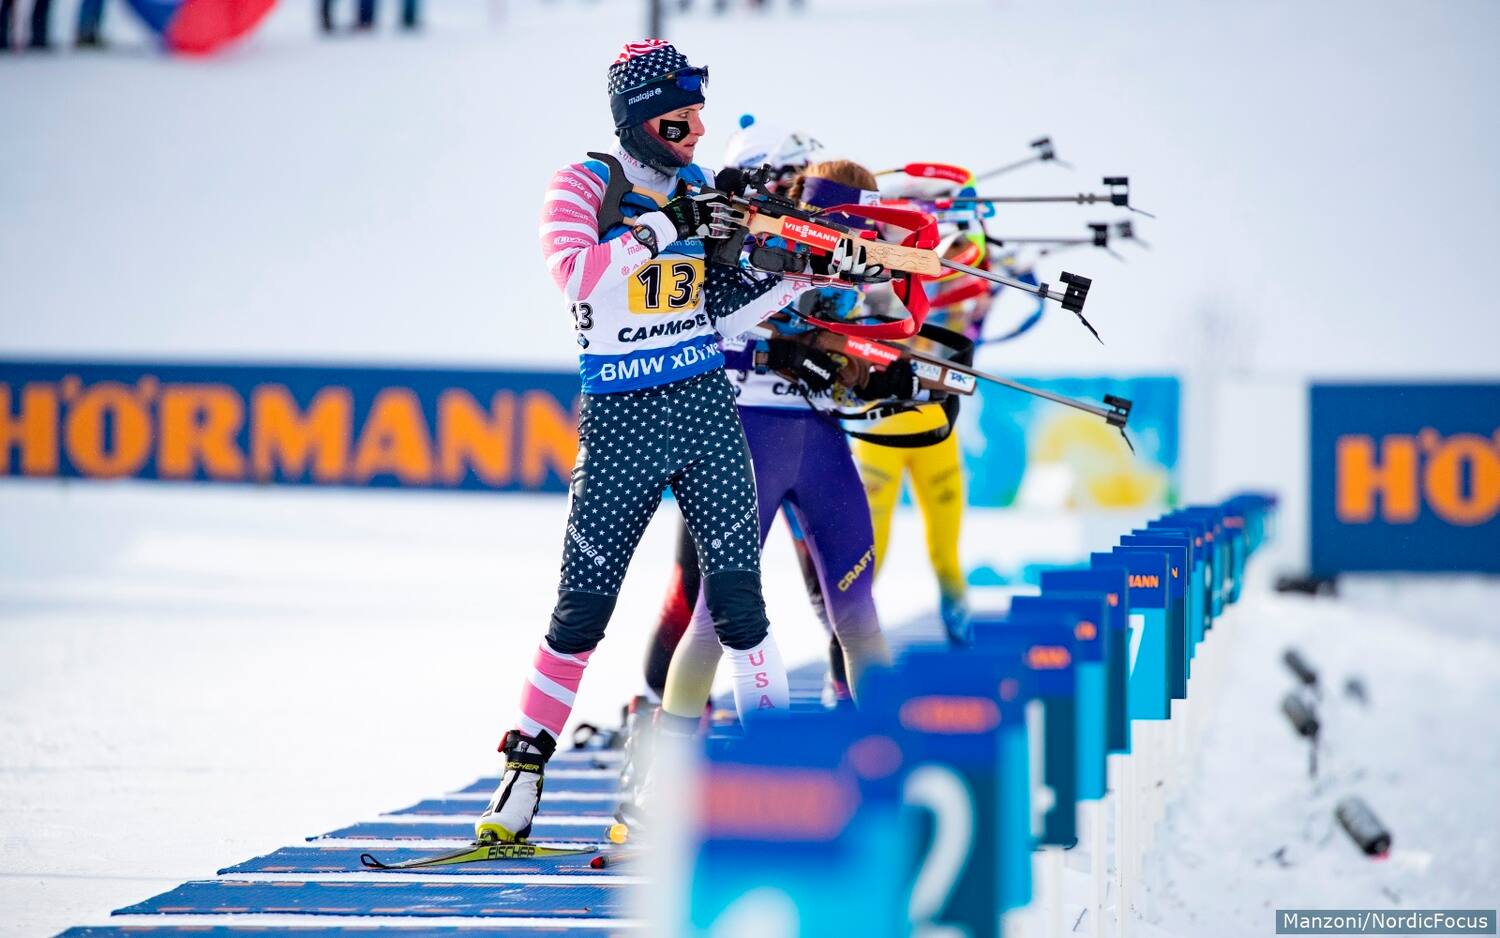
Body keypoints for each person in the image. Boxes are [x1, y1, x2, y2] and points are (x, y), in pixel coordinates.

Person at [473, 40, 867, 845]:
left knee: (739, 604)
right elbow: (576, 275)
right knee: (582, 606)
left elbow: (720, 312)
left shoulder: (693, 187)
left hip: (701, 408)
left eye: (699, 115)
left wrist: (805, 276)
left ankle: (778, 779)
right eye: (681, 117)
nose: (696, 131)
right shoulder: (583, 182)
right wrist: (663, 227)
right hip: (620, 416)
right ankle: (523, 774)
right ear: (640, 117)